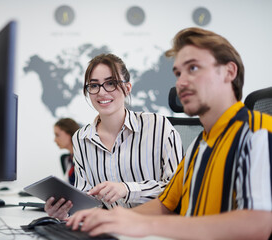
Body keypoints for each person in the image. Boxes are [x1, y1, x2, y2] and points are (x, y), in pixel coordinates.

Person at [66, 28, 272, 239]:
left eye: (193, 68)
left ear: (229, 72)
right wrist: (111, 221)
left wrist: (145, 225)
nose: (181, 82)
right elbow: (165, 203)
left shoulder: (258, 133)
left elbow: (257, 225)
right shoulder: (200, 146)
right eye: (178, 73)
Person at [45, 53, 183, 219]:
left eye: (111, 83)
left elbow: (178, 188)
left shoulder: (158, 126)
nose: (102, 92)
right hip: (111, 229)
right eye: (94, 85)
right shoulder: (81, 139)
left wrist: (127, 189)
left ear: (127, 88)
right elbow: (86, 201)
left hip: (156, 228)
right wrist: (65, 212)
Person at [53, 118, 80, 186]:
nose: (55, 140)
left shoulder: (84, 159)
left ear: (69, 133)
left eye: (57, 135)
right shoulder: (66, 159)